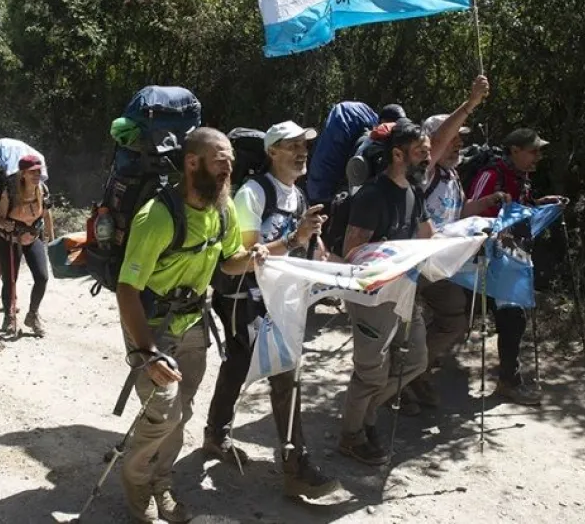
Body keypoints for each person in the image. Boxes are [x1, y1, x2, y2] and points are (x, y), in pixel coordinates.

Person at [116, 127, 268, 523]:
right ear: (192, 162)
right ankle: (137, 486)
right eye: (221, 159)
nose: (229, 167)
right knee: (161, 416)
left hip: (194, 322)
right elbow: (127, 290)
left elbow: (231, 260)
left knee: (181, 411)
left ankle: (161, 484)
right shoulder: (158, 216)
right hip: (151, 325)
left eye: (231, 160)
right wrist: (147, 353)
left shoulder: (224, 208)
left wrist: (263, 254)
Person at [202, 121, 340, 499]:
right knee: (265, 369)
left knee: (269, 370)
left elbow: (297, 249)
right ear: (272, 152)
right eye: (291, 145)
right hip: (243, 298)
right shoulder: (253, 193)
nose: (301, 152)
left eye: (304, 146)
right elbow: (243, 258)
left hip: (279, 299)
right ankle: (292, 464)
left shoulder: (297, 195)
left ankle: (223, 437)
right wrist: (295, 238)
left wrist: (322, 255)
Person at [401, 76, 505, 410]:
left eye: (462, 140)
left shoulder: (451, 175)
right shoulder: (424, 171)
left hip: (439, 263)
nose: (458, 144)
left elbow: (458, 213)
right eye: (454, 138)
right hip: (410, 264)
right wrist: (471, 103)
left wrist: (491, 201)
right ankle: (402, 385)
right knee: (407, 329)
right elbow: (437, 138)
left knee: (454, 320)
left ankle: (415, 374)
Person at [337, 120, 434, 465]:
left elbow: (428, 238)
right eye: (421, 151)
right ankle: (352, 435)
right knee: (371, 371)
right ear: (398, 154)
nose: (428, 157)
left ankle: (367, 415)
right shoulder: (372, 196)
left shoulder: (415, 191)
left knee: (416, 360)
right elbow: (352, 252)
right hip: (372, 297)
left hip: (405, 292)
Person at [467, 128, 566, 406]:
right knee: (461, 315)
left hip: (510, 257)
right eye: (533, 150)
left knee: (513, 318)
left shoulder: (521, 178)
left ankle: (509, 381)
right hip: (482, 257)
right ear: (515, 151)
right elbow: (469, 211)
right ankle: (419, 368)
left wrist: (538, 204)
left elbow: (518, 210)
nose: (538, 156)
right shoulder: (491, 175)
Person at [0, 154, 55, 337]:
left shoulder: (42, 189)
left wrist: (51, 238)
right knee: (10, 280)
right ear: (23, 174)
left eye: (39, 171)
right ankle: (9, 316)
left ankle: (32, 315)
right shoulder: (10, 192)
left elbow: (46, 214)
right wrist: (5, 224)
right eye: (33, 172)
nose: (37, 175)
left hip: (33, 236)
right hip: (10, 239)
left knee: (42, 277)